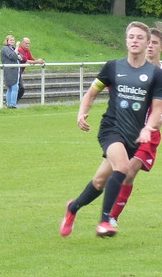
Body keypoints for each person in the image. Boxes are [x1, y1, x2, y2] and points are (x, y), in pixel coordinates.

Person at [61, 21, 162, 239]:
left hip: (133, 137)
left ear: (147, 43)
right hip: (111, 129)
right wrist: (81, 113)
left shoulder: (155, 74)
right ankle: (105, 221)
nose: (134, 41)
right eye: (131, 37)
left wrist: (148, 127)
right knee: (123, 168)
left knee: (99, 182)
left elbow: (157, 109)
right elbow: (91, 93)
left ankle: (73, 208)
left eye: (140, 38)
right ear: (126, 41)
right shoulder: (113, 67)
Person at [106, 27, 162, 229]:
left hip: (149, 134)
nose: (150, 46)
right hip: (126, 130)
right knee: (114, 173)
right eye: (149, 42)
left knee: (130, 171)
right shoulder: (134, 69)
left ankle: (112, 216)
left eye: (155, 43)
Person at [15, 37, 45, 102]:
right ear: (22, 43)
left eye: (29, 43)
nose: (28, 45)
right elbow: (26, 61)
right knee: (19, 89)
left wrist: (39, 61)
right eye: (26, 43)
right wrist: (37, 62)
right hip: (15, 72)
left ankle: (12, 103)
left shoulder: (27, 51)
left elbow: (32, 60)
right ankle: (12, 103)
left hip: (19, 73)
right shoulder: (20, 50)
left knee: (20, 89)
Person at [0, 35, 23, 108]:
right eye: (11, 40)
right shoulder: (5, 48)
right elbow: (12, 56)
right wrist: (17, 48)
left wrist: (18, 56)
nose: (12, 41)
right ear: (7, 41)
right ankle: (12, 105)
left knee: (12, 88)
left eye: (13, 40)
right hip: (10, 70)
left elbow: (21, 57)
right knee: (13, 87)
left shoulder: (13, 48)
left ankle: (9, 104)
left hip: (16, 71)